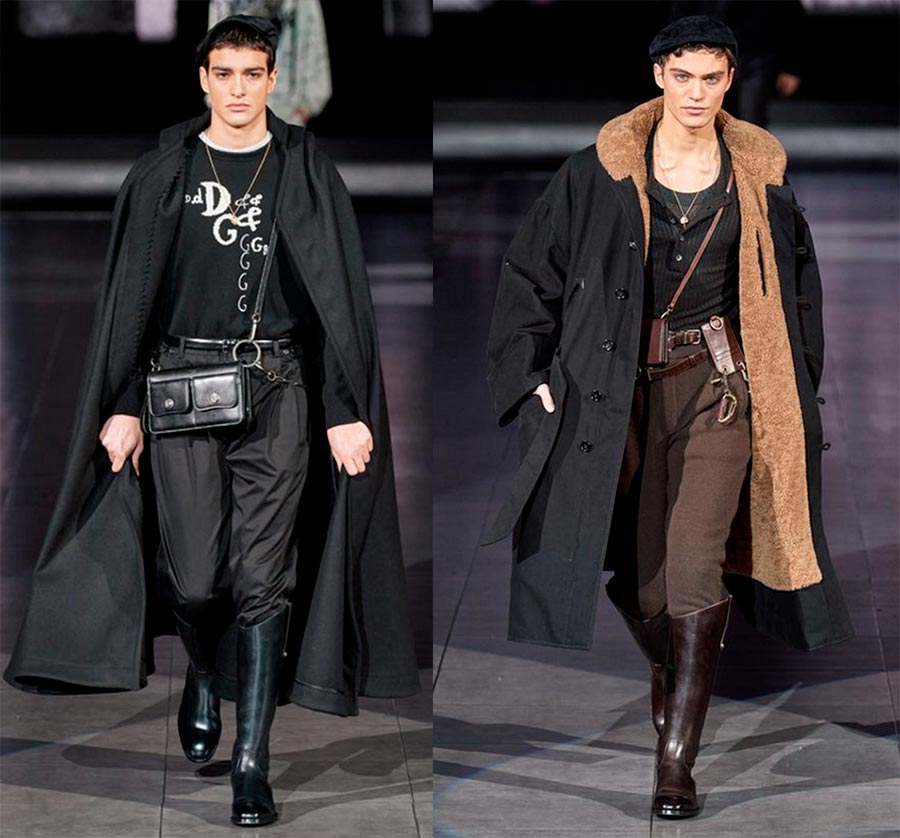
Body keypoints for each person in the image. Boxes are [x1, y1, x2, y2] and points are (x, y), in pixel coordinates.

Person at [4, 13, 419, 829]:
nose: (236, 89)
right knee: (196, 578)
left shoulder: (306, 172)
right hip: (180, 387)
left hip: (279, 389)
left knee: (265, 579)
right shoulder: (166, 172)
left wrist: (343, 410)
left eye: (251, 74)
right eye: (223, 73)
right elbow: (131, 303)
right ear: (202, 79)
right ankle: (203, 667)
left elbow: (340, 303)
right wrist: (123, 403)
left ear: (273, 81)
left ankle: (252, 763)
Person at [484, 15, 853, 820]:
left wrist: (792, 384)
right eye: (682, 76)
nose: (695, 92)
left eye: (711, 78)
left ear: (729, 81)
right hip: (620, 393)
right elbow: (529, 274)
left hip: (722, 387)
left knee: (693, 566)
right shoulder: (599, 172)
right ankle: (675, 667)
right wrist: (530, 375)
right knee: (644, 584)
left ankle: (676, 761)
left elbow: (799, 288)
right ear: (658, 76)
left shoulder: (758, 173)